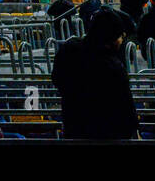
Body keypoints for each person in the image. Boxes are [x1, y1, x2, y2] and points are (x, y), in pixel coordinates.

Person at [51, 8, 139, 140]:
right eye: (121, 36)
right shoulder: (113, 66)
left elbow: (57, 80)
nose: (121, 40)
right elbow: (126, 107)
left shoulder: (68, 50)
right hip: (106, 133)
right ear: (112, 38)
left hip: (74, 127)